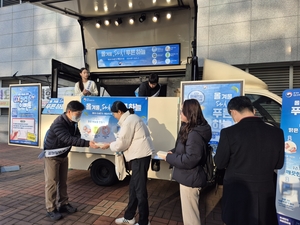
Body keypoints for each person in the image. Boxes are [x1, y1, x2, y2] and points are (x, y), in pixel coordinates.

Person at [214, 96, 285, 225]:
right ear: (253, 111)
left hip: (238, 193)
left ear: (233, 112)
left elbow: (220, 163)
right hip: (265, 192)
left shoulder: (229, 133)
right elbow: (279, 164)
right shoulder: (277, 133)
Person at [43, 100, 99, 221]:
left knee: (63, 181)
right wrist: (88, 143)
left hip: (63, 155)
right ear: (69, 112)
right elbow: (69, 139)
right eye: (78, 114)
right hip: (52, 156)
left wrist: (90, 137)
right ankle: (51, 209)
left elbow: (77, 136)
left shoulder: (73, 123)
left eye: (80, 114)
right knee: (52, 182)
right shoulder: (59, 123)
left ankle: (63, 204)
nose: (79, 116)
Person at [101, 101, 154, 225]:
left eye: (114, 113)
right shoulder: (131, 119)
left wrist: (109, 145)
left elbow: (121, 144)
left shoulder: (129, 121)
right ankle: (129, 217)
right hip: (139, 156)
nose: (114, 116)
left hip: (140, 157)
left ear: (119, 112)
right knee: (133, 189)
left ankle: (144, 222)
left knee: (140, 191)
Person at [162, 99, 212, 225]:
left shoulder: (194, 133)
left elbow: (191, 159)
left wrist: (169, 158)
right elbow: (182, 146)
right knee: (190, 213)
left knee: (191, 216)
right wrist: (172, 152)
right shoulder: (188, 127)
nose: (180, 113)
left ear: (189, 113)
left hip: (191, 178)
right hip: (188, 176)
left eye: (182, 111)